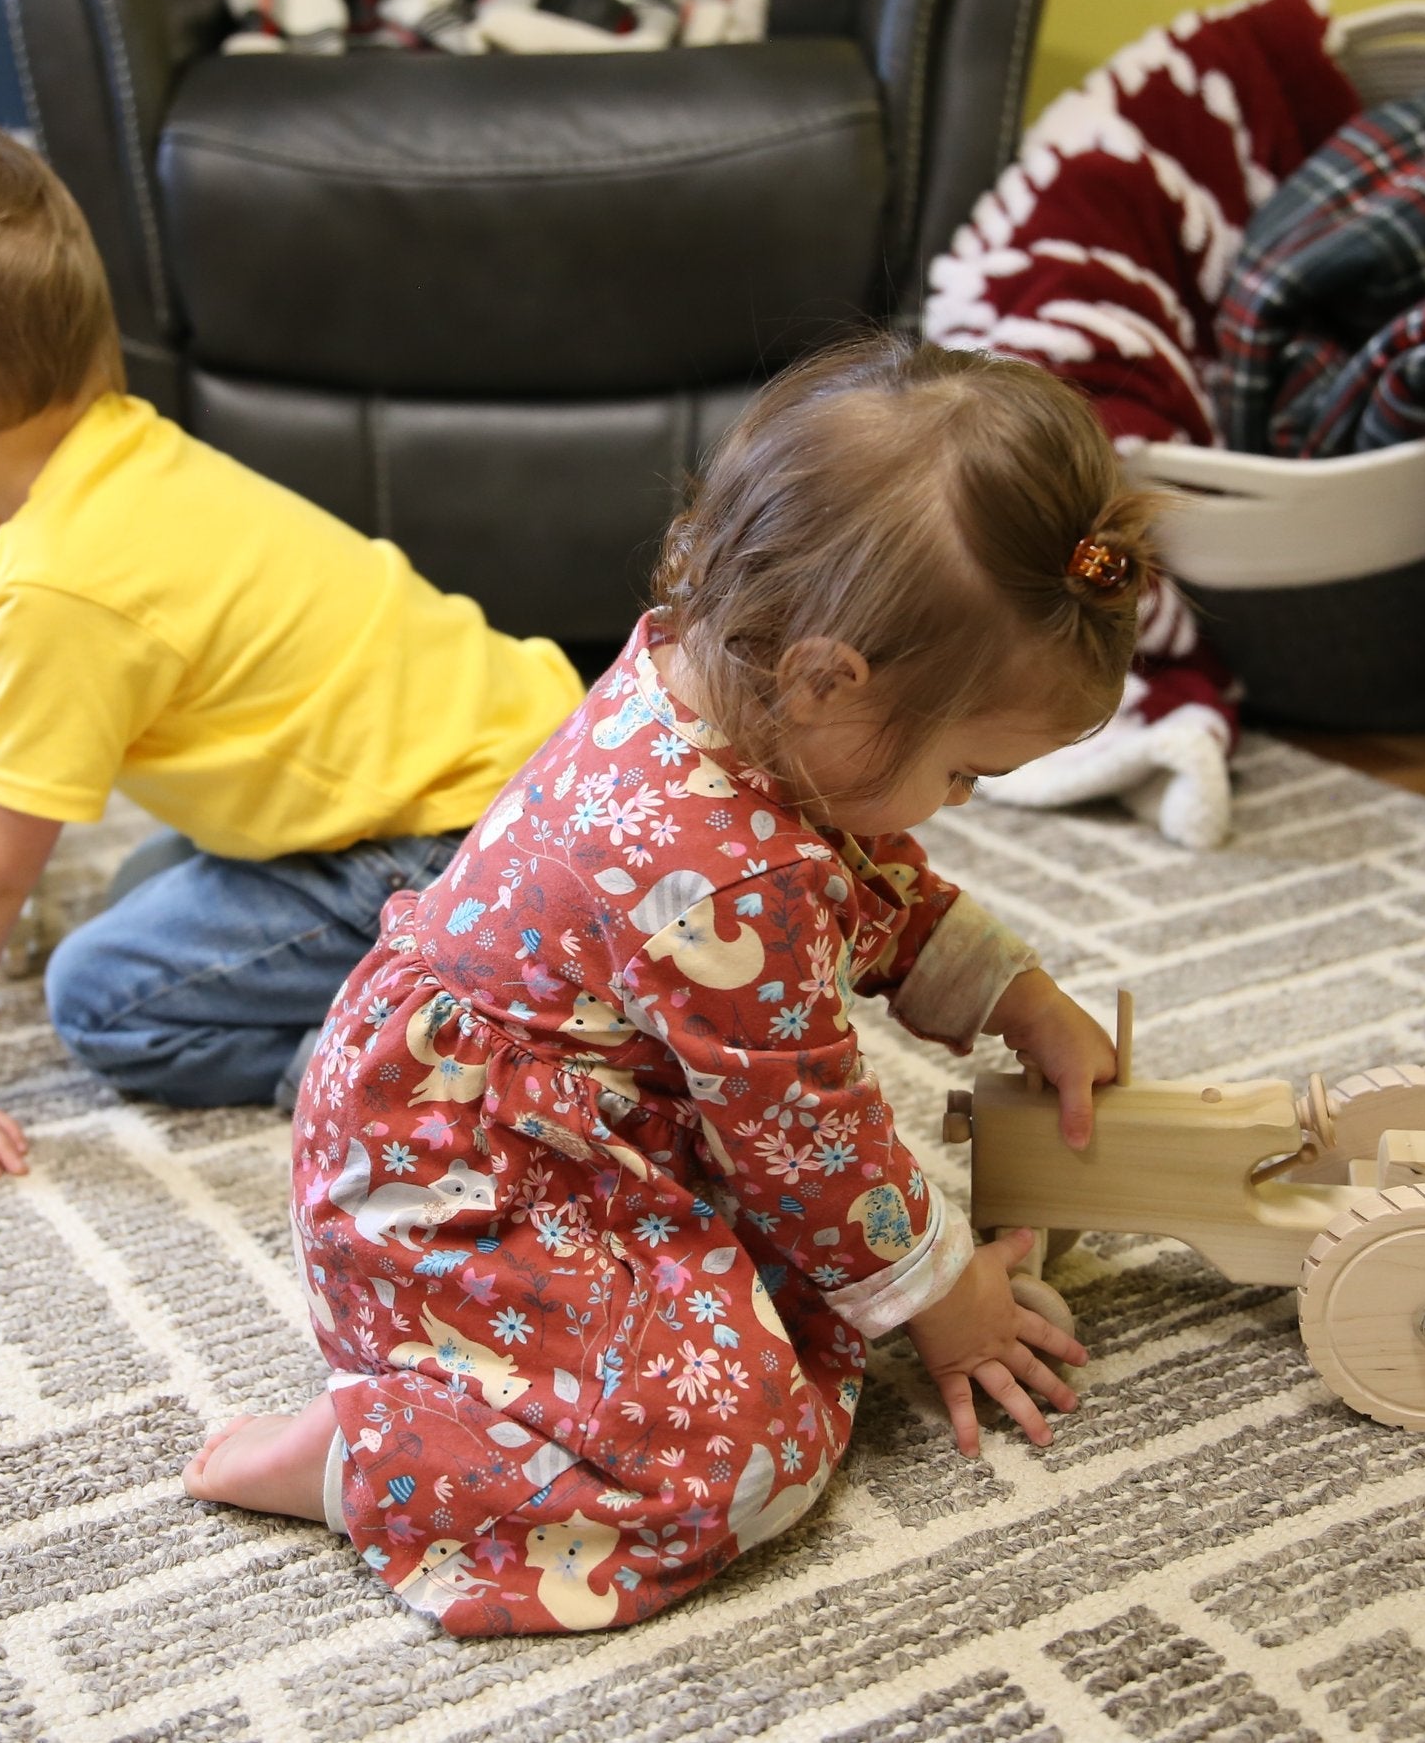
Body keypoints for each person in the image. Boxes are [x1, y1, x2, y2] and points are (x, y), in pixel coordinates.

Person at [183, 334, 1159, 1635]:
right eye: (964, 770)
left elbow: (855, 877)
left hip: (534, 1104)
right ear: (825, 681)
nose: (956, 806)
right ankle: (380, 1456)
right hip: (467, 1182)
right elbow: (806, 1132)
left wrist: (1012, 993)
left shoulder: (720, 678)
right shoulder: (720, 873)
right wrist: (948, 1300)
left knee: (795, 1288)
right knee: (740, 1444)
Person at [0, 118, 583, 1181]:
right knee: (143, 888)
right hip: (526, 775)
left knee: (100, 992)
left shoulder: (63, 581)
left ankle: (411, 1070)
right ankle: (448, 987)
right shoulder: (119, 458)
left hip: (450, 854)